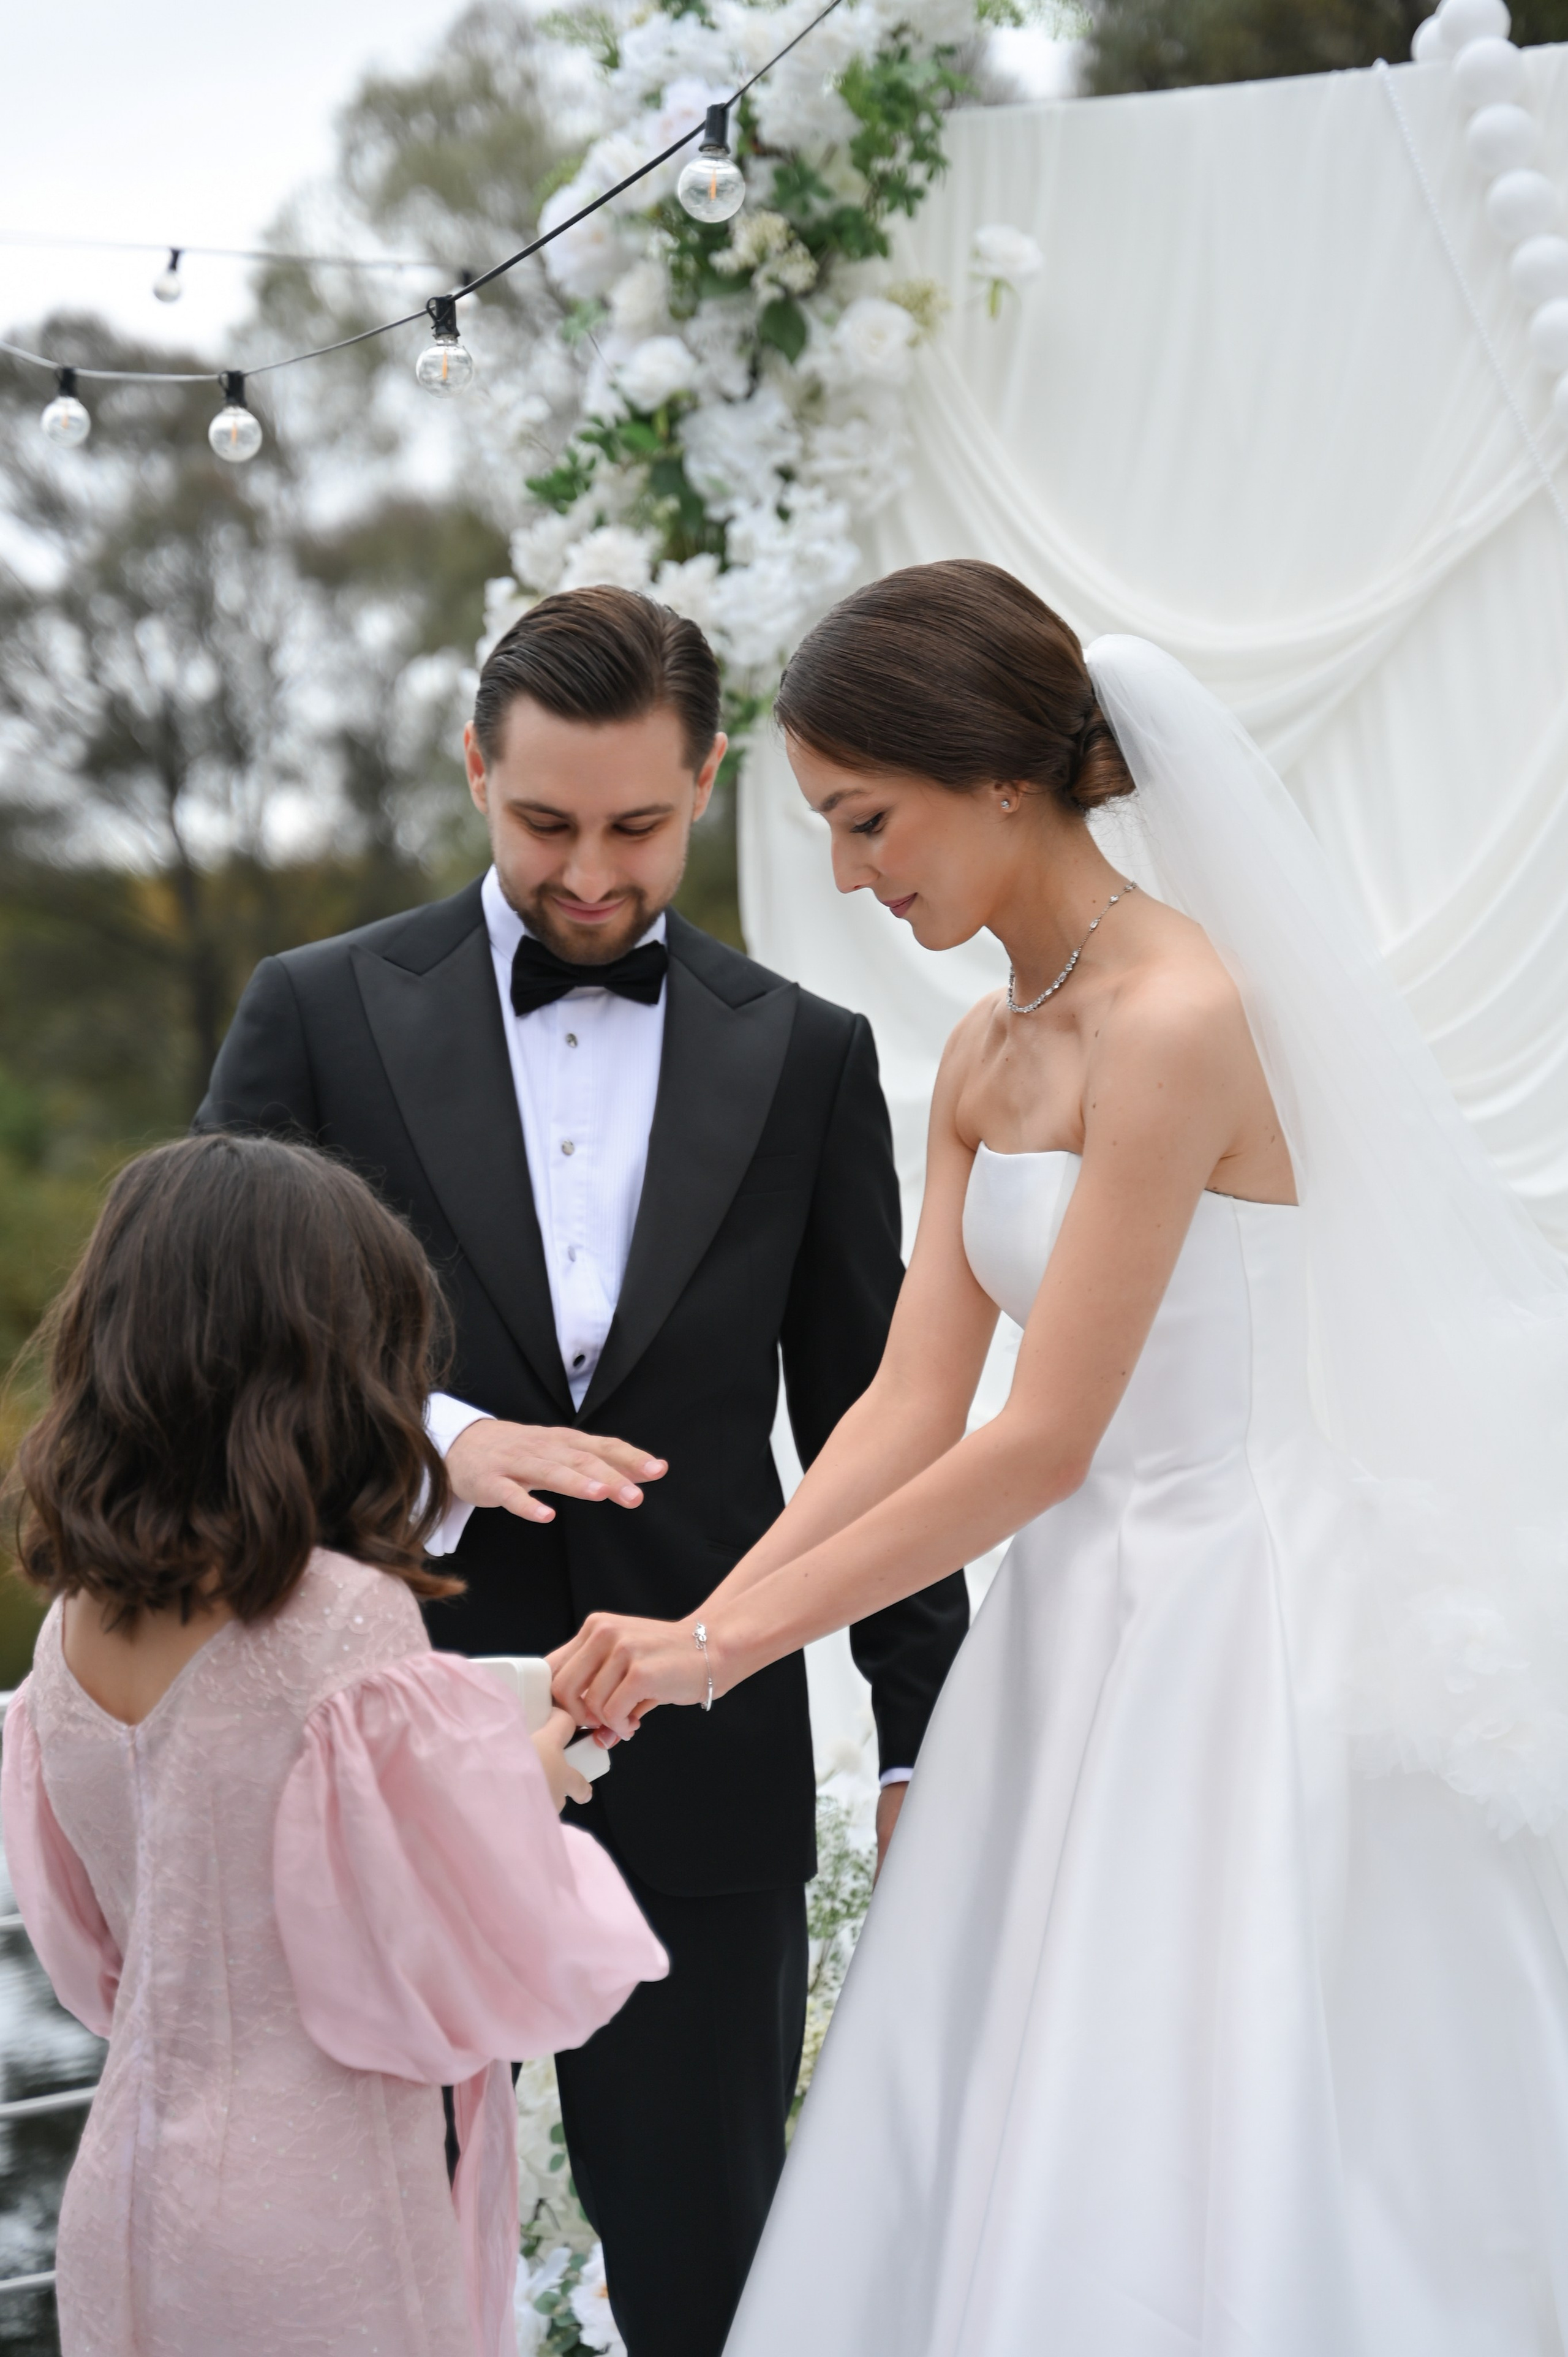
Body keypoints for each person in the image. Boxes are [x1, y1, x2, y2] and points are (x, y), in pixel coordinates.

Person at [552, 560, 1568, 2356]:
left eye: (871, 823)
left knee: (1208, 2091)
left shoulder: (1175, 1021)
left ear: (998, 777)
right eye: (833, 834)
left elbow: (1043, 1437)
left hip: (1239, 1607)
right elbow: (904, 1405)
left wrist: (719, 1655)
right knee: (1005, 2073)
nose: (856, 875)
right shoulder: (978, 1048)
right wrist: (695, 1623)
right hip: (1076, 1607)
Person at [194, 584, 970, 2357]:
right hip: (375, 1750)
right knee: (377, 2274)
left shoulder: (809, 1054)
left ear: (707, 781)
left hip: (706, 1766)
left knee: (707, 2271)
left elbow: (878, 1424)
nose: (595, 876)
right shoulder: (313, 1012)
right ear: (476, 770)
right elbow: (207, 1340)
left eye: (638, 824)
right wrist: (451, 1435)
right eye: (546, 824)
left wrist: (928, 1728)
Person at [0, 1132, 665, 2357]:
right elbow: (449, 1944)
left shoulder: (65, 1632)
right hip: (320, 2199)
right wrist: (540, 1758)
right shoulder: (340, 1613)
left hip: (121, 2194)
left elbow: (97, 1949)